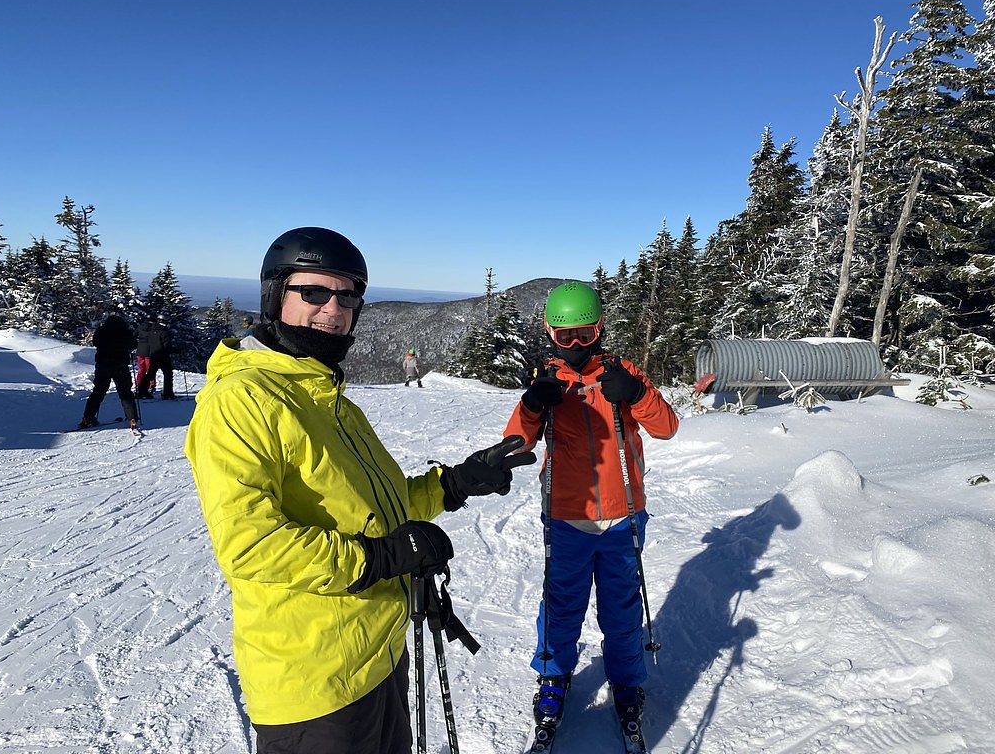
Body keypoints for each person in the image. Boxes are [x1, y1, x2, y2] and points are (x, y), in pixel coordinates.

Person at [185, 226, 536, 754]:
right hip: (316, 684)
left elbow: (377, 508)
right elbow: (250, 545)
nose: (333, 307)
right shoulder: (242, 400)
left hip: (378, 652)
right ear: (275, 295)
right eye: (314, 292)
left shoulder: (330, 400)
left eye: (347, 295)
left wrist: (454, 483)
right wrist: (384, 556)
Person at [503, 281, 679, 737]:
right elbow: (516, 443)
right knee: (562, 606)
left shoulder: (622, 372)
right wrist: (531, 404)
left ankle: (627, 682)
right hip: (566, 517)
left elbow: (666, 427)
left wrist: (636, 394)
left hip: (623, 516)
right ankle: (554, 676)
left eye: (586, 334)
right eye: (566, 338)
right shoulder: (548, 381)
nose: (577, 345)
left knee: (621, 609)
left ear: (600, 329)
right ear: (550, 334)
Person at [80, 312, 140, 430]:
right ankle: (132, 418)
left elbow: (95, 342)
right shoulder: (125, 331)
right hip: (120, 365)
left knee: (98, 392)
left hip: (103, 365)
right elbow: (133, 345)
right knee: (125, 392)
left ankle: (87, 418)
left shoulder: (101, 330)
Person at [139, 319, 176, 400]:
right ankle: (168, 393)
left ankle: (142, 391)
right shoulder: (165, 333)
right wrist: (176, 350)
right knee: (168, 374)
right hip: (163, 356)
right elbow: (166, 347)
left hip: (153, 355)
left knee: (150, 374)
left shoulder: (151, 332)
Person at [134, 320, 156, 399]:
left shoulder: (140, 327)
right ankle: (151, 385)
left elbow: (134, 336)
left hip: (140, 351)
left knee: (141, 369)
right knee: (150, 370)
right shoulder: (153, 328)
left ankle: (138, 384)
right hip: (149, 352)